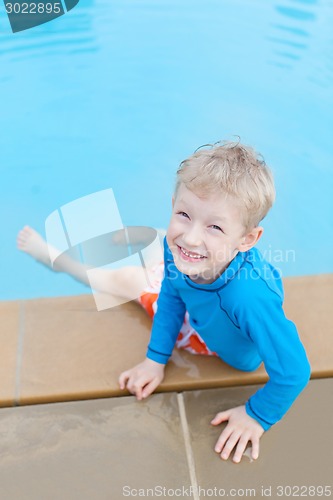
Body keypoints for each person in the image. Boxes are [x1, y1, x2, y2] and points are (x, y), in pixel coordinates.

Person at [17, 140, 310, 464]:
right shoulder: (186, 250)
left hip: (211, 336)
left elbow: (295, 371)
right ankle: (152, 238)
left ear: (248, 239)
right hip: (201, 287)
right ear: (173, 204)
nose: (192, 236)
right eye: (183, 214)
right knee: (171, 255)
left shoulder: (249, 299)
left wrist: (257, 415)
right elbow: (173, 295)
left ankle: (57, 259)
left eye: (215, 226)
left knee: (125, 280)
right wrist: (156, 359)